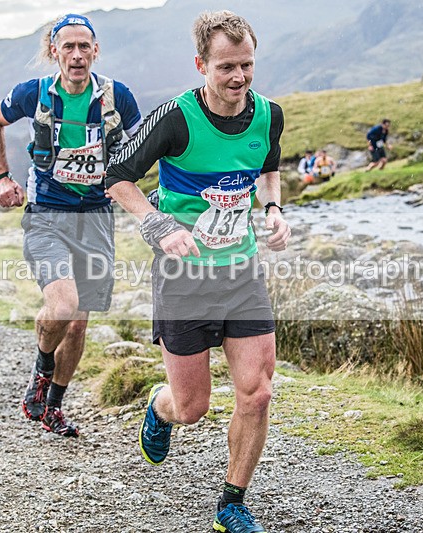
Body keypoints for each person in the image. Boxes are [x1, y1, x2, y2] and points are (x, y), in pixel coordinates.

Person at [105, 10, 289, 532]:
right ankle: (159, 409)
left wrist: (274, 209)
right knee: (191, 407)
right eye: (226, 67)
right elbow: (116, 178)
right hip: (183, 277)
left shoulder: (268, 115)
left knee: (258, 392)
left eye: (247, 65)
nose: (239, 77)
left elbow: (268, 167)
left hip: (241, 272)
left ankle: (232, 503)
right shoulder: (176, 118)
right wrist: (159, 223)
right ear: (201, 65)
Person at [0, 13, 142, 437]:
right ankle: (41, 369)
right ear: (54, 51)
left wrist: (144, 191)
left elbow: (144, 145)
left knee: (78, 323)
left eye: (83, 46)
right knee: (63, 306)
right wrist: (2, 178)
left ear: (96, 51)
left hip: (96, 218)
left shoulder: (118, 97)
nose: (76, 55)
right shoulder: (33, 93)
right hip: (47, 215)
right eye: (68, 47)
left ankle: (53, 406)